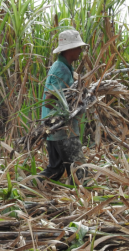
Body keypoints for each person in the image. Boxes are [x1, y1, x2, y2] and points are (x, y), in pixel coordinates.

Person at [39, 29, 87, 182]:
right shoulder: (60, 69)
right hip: (62, 130)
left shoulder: (64, 67)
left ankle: (26, 188)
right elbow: (49, 100)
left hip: (55, 129)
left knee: (56, 169)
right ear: (69, 49)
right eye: (78, 47)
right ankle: (81, 204)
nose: (80, 50)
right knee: (79, 173)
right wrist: (70, 110)